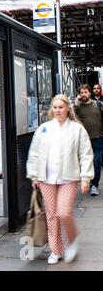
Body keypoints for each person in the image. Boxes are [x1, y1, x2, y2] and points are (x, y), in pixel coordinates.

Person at [26, 94, 93, 265]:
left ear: (68, 108)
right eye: (54, 107)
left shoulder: (77, 129)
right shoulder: (44, 128)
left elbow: (86, 154)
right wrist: (34, 175)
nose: (57, 110)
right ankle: (56, 250)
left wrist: (85, 177)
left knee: (63, 212)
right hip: (46, 179)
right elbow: (34, 152)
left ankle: (71, 240)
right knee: (51, 216)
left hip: (68, 178)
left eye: (61, 107)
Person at [74, 84, 103, 196]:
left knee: (96, 161)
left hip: (98, 138)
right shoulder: (77, 107)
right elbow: (70, 116)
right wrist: (75, 105)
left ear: (89, 93)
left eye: (85, 92)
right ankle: (92, 184)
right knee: (90, 162)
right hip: (84, 141)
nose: (83, 94)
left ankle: (94, 184)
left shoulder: (98, 104)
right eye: (81, 92)